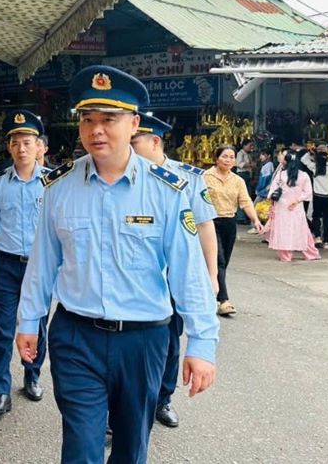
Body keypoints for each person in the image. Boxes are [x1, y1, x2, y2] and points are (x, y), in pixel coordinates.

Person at [16, 66, 219, 464]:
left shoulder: (166, 190)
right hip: (76, 337)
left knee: (130, 449)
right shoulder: (59, 188)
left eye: (109, 119)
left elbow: (187, 271)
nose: (97, 130)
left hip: (143, 341)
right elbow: (43, 262)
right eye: (88, 120)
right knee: (81, 449)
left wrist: (202, 342)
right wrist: (29, 321)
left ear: (134, 124)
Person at [131, 113, 219, 429]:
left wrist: (212, 276)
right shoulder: (124, 175)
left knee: (169, 342)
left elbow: (206, 228)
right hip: (140, 276)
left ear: (155, 141)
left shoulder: (189, 178)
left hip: (177, 277)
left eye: (133, 141)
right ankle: (127, 405)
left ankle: (162, 399)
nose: (126, 148)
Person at [0, 110, 51, 418]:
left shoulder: (52, 182)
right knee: (3, 331)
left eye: (27, 142)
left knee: (38, 327)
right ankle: (1, 391)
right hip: (5, 266)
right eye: (16, 142)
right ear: (8, 147)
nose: (22, 148)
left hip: (39, 266)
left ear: (40, 146)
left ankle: (32, 376)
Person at [204, 146, 263, 316]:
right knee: (218, 260)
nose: (228, 160)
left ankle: (210, 293)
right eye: (224, 156)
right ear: (217, 158)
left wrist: (255, 220)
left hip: (229, 223)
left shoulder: (238, 181)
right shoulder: (205, 177)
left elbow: (245, 202)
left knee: (223, 263)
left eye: (231, 157)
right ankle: (224, 300)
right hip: (210, 223)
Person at [266, 150, 321, 263]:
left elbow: (272, 192)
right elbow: (308, 193)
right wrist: (297, 200)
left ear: (286, 162)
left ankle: (286, 256)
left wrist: (272, 204)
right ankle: (311, 254)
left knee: (283, 231)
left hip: (281, 207)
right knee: (303, 231)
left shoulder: (281, 175)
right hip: (297, 208)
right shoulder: (304, 175)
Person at [302, 145, 328, 250]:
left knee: (316, 216)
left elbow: (303, 159)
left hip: (318, 197)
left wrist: (311, 152)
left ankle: (318, 236)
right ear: (327, 157)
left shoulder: (315, 167)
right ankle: (327, 240)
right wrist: (326, 151)